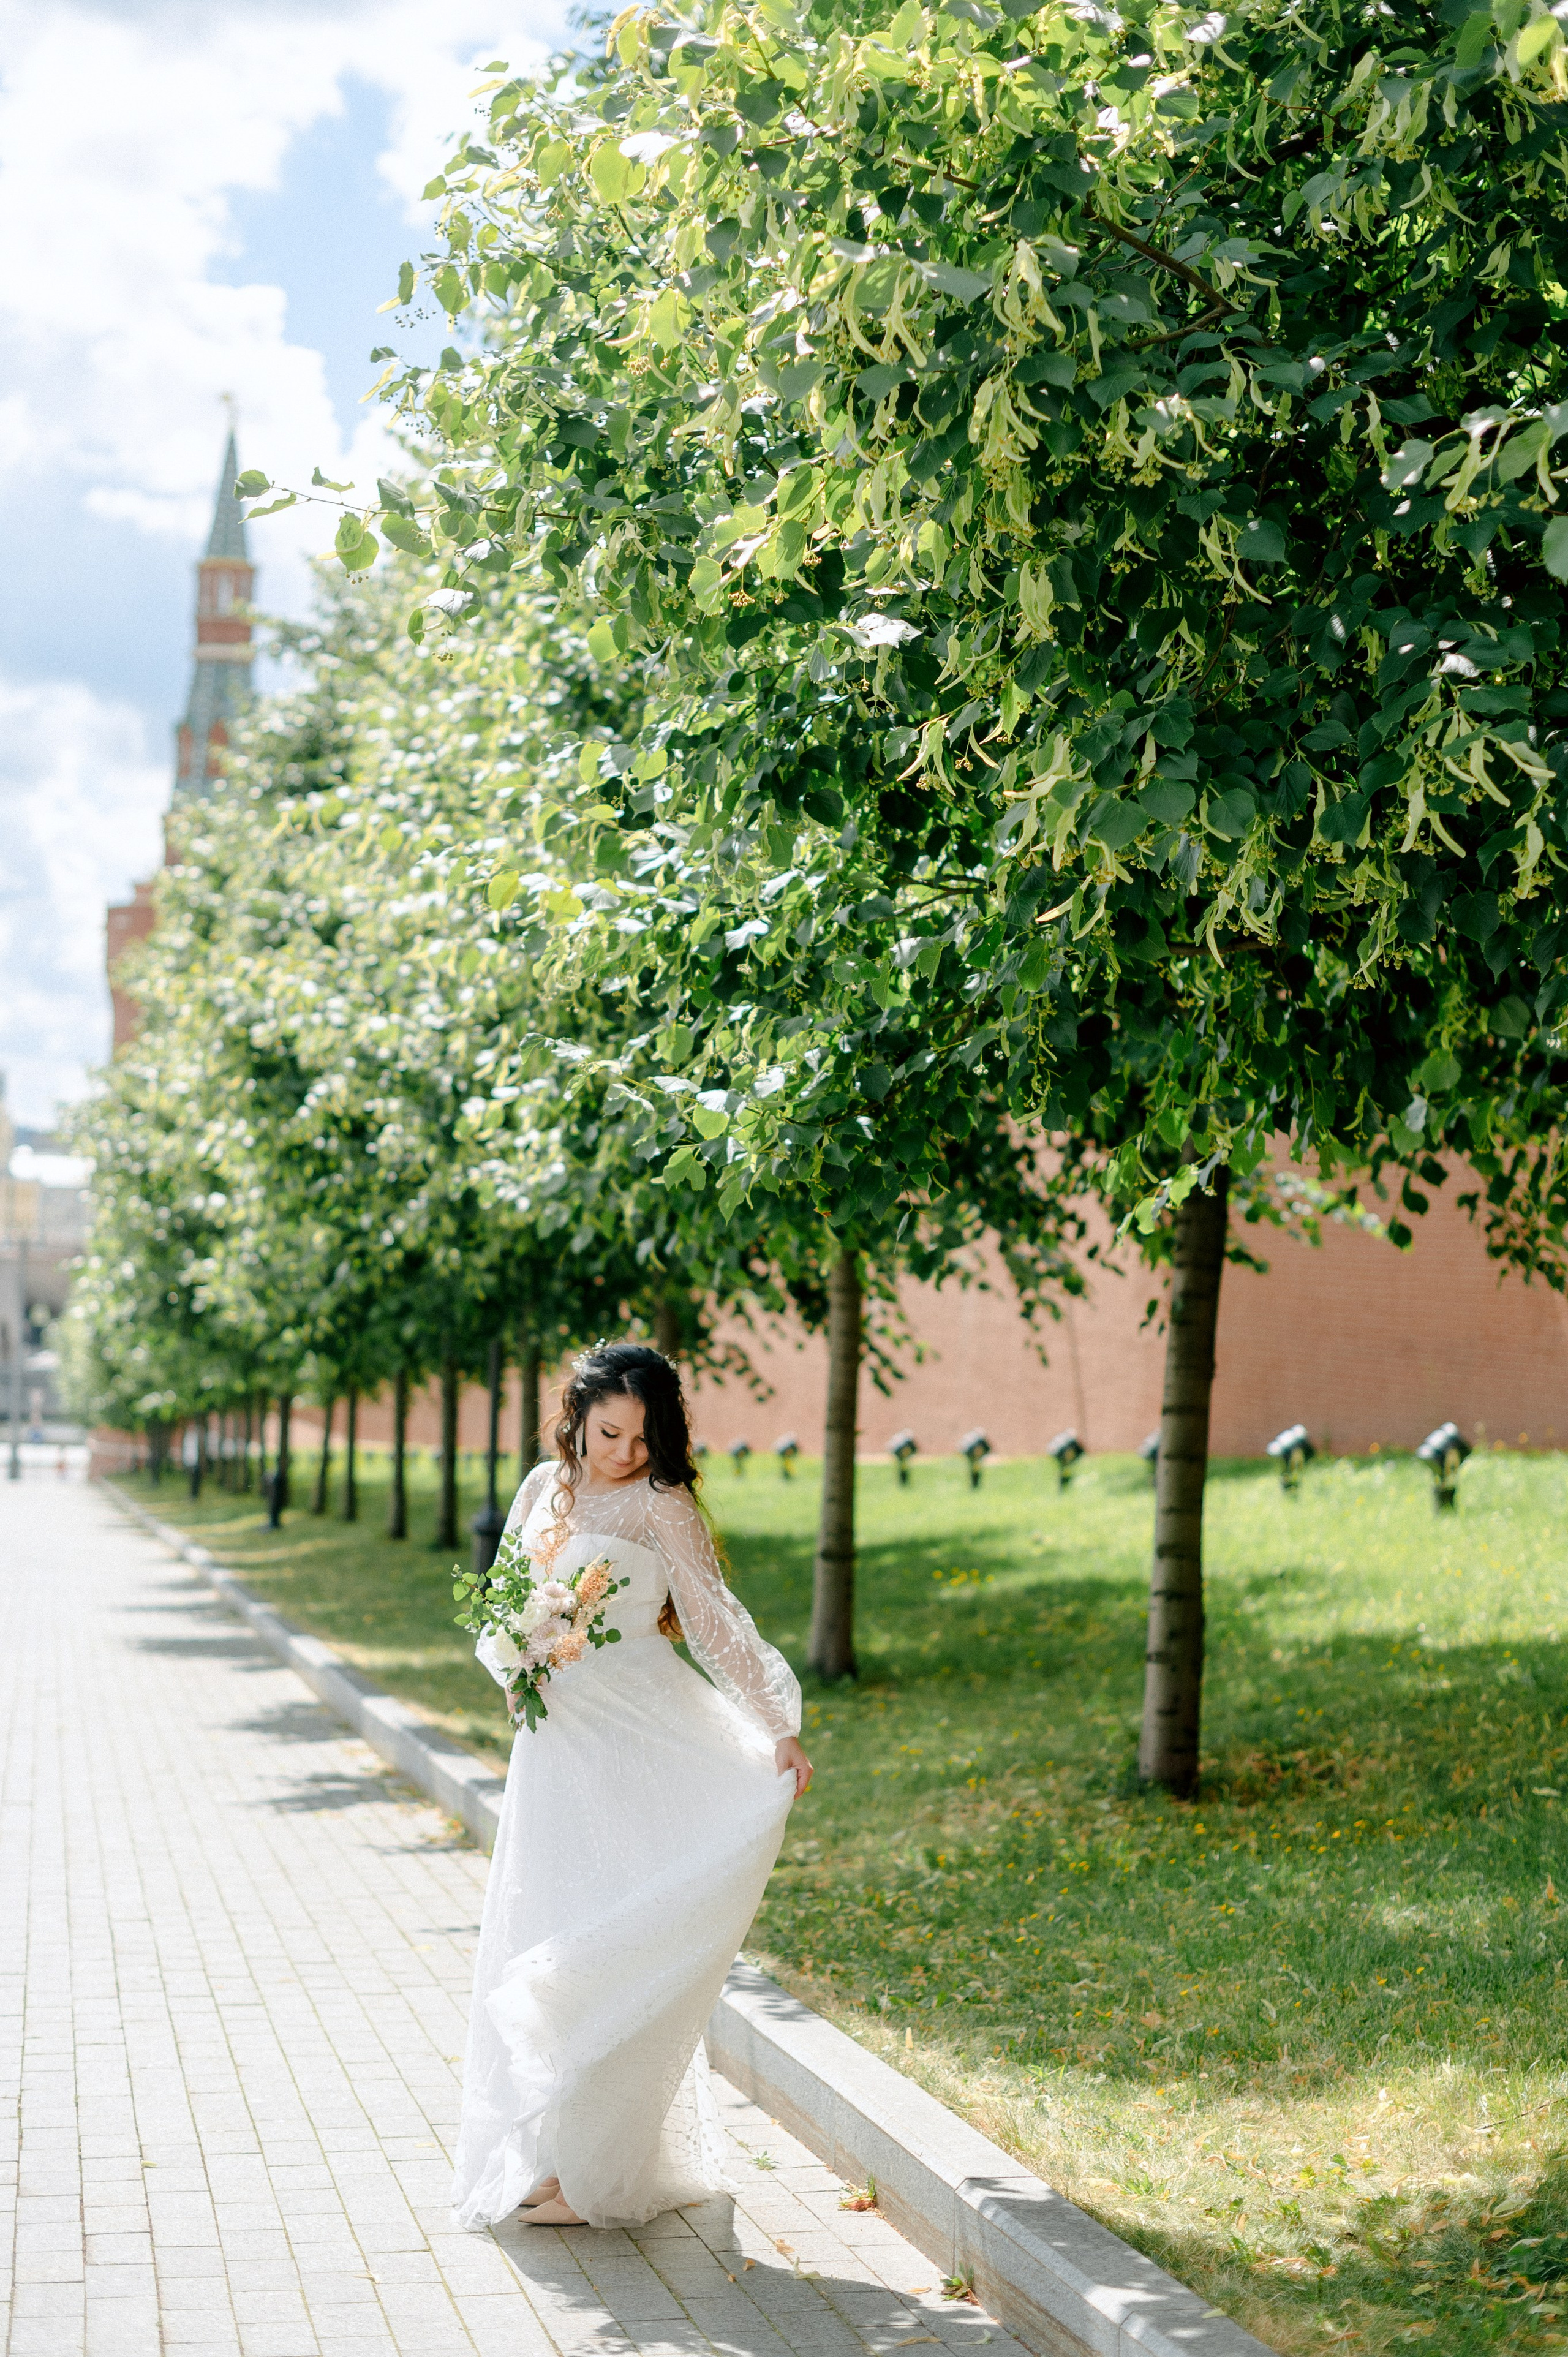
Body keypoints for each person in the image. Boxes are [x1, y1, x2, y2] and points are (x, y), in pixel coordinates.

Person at [451, 1343, 812, 2233]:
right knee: (553, 1911)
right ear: (575, 1417)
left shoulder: (663, 1505)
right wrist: (515, 1662)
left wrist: (779, 1723)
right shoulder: (542, 1485)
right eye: (609, 1432)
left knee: (618, 1921)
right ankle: (548, 2152)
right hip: (557, 1739)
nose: (623, 1452)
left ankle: (596, 2171)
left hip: (639, 1729)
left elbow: (714, 1623)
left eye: (644, 1438)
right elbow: (504, 1598)